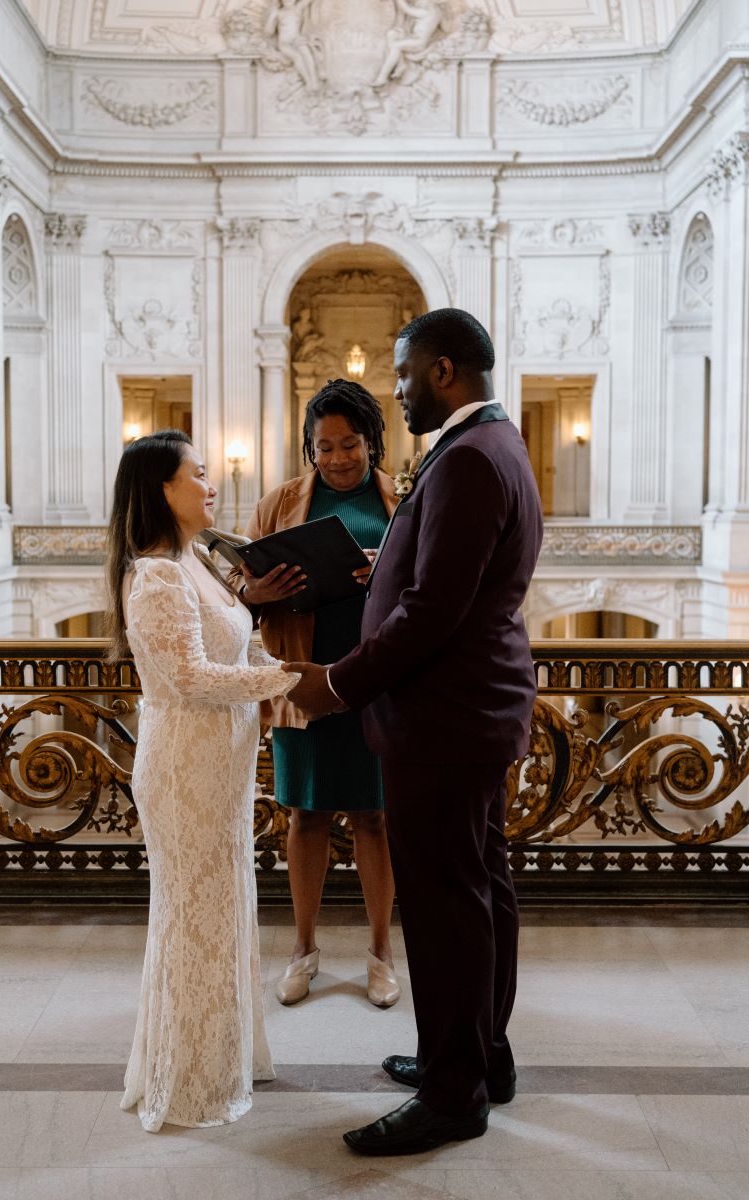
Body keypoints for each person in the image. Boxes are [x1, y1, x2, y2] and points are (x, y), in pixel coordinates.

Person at [284, 309, 543, 1155]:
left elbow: (434, 609)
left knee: (444, 908)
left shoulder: (468, 459)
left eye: (402, 373)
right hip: (469, 709)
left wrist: (337, 684)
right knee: (479, 891)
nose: (392, 391)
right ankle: (475, 1055)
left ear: (441, 371)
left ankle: (453, 1095)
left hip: (444, 715)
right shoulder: (494, 445)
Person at [106, 429, 298, 1132]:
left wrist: (263, 622)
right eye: (199, 474)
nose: (211, 484)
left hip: (221, 760)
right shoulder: (154, 573)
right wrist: (286, 680)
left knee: (222, 910)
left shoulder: (196, 562)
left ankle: (218, 1056)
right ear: (163, 488)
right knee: (195, 917)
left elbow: (228, 644)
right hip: (186, 763)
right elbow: (187, 677)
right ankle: (187, 1079)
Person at [232, 380, 401, 1008]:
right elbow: (235, 592)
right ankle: (303, 951)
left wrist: (388, 567)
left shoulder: (401, 503)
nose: (337, 458)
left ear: (373, 442)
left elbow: (426, 586)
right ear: (309, 447)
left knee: (375, 816)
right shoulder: (278, 504)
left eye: (349, 444)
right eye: (324, 446)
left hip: (375, 675)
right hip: (298, 670)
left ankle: (382, 954)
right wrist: (259, 593)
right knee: (303, 814)